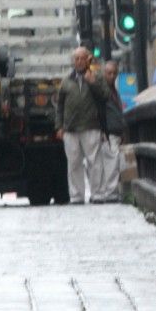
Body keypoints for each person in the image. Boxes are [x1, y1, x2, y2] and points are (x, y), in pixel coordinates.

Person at [56, 46, 109, 204]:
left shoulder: (96, 77)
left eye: (82, 58)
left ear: (88, 60)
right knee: (73, 163)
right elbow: (59, 106)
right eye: (76, 58)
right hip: (70, 129)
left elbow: (106, 96)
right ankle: (76, 196)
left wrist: (92, 82)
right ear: (73, 61)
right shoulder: (66, 81)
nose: (79, 61)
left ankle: (98, 194)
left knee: (95, 161)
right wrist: (59, 126)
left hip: (91, 126)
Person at [94, 60, 126, 203]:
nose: (112, 76)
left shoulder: (114, 91)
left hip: (115, 131)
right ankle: (110, 193)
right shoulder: (103, 91)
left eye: (114, 73)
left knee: (113, 162)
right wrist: (102, 131)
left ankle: (110, 191)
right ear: (103, 73)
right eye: (109, 73)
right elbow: (99, 111)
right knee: (111, 163)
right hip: (108, 131)